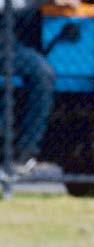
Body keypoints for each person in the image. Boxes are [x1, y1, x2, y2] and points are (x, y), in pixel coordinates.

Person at [0, 0, 77, 176]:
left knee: (42, 72)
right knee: (42, 72)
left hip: (20, 44)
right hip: (5, 46)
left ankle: (22, 157)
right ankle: (22, 156)